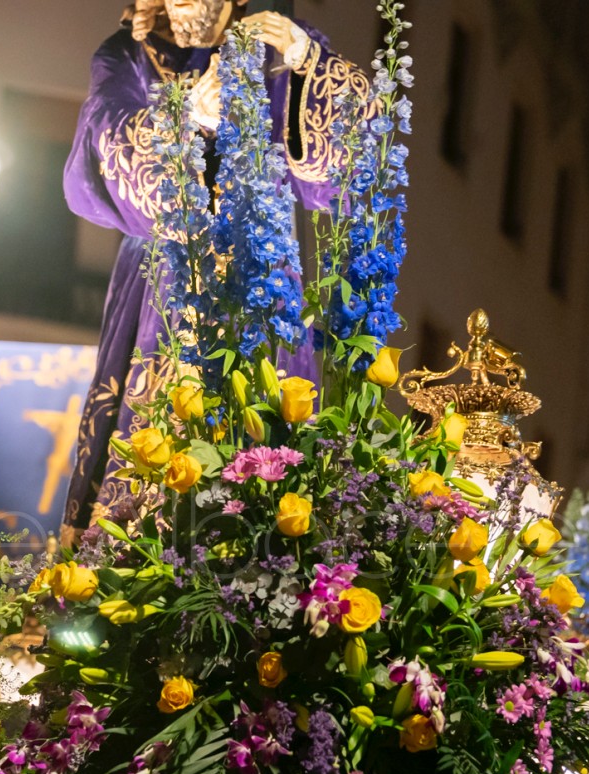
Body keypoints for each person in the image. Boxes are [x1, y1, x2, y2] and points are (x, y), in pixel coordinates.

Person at [60, 0, 370, 540]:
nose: (177, 6)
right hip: (161, 282)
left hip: (263, 270)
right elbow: (99, 152)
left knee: (263, 434)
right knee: (152, 439)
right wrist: (188, 119)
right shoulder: (131, 55)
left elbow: (336, 177)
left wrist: (305, 60)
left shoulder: (279, 40)